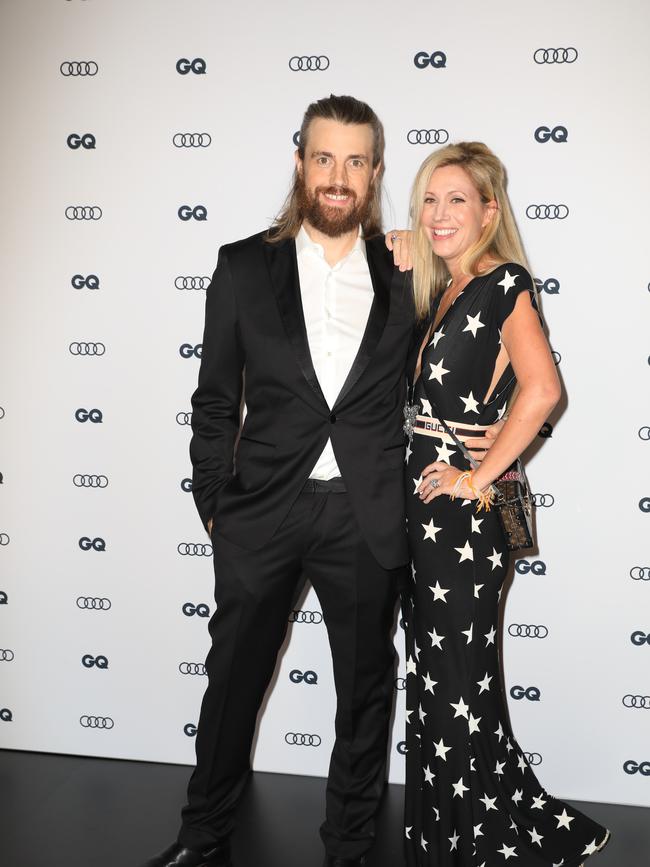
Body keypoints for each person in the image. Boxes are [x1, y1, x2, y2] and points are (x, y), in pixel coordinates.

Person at [140, 93, 421, 867]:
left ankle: (350, 848)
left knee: (364, 699)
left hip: (364, 516)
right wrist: (216, 508)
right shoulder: (240, 266)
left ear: (374, 172)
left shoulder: (404, 271)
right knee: (231, 684)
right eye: (324, 157)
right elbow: (213, 401)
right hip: (262, 513)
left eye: (356, 161)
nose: (339, 176)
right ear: (300, 163)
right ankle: (203, 834)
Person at [398, 141, 610, 866]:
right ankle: (445, 827)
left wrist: (479, 474)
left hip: (462, 520)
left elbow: (543, 388)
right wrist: (396, 242)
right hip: (421, 517)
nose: (439, 213)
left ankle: (478, 836)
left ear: (490, 211)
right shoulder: (443, 289)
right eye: (429, 198)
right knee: (438, 674)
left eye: (457, 199)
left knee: (459, 677)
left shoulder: (503, 283)